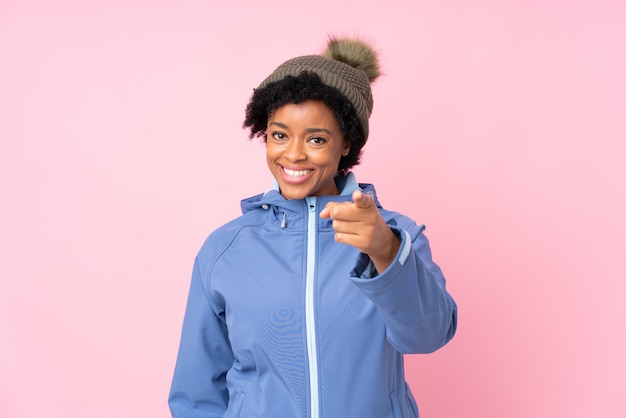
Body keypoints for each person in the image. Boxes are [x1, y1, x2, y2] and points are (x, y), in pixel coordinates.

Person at [168, 36, 457, 418]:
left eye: (316, 139)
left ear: (346, 144)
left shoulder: (396, 236)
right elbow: (195, 393)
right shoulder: (226, 249)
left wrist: (386, 252)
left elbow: (428, 336)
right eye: (279, 135)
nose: (293, 154)